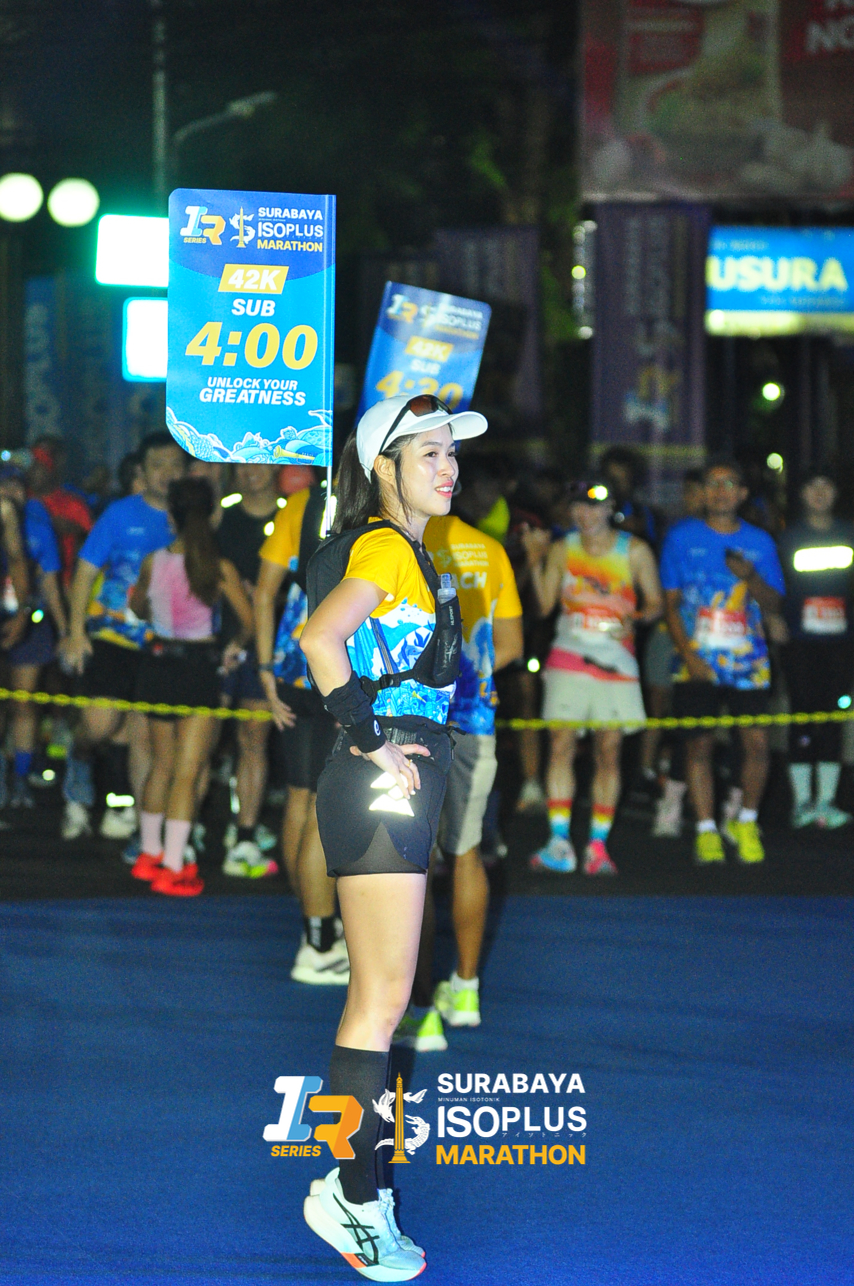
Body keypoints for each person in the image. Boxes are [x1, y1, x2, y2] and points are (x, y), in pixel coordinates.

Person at [299, 392, 486, 1281]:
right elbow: (319, 639)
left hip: (396, 785)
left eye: (451, 453)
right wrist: (372, 741)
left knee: (380, 1000)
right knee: (378, 1005)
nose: (449, 468)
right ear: (385, 466)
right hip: (381, 786)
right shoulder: (383, 546)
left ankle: (353, 1191)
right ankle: (353, 1199)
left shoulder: (405, 549)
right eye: (429, 454)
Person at [395, 505, 523, 1051]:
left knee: (414, 863)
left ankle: (420, 1011)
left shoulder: (398, 544)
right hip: (474, 716)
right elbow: (512, 646)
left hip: (410, 721)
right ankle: (465, 989)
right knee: (466, 852)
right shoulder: (489, 550)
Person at [523, 477, 662, 875]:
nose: (586, 514)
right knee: (561, 744)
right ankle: (559, 841)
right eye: (578, 506)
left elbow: (655, 603)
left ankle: (597, 845)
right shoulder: (562, 548)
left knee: (609, 750)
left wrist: (636, 618)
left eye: (594, 506)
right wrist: (534, 559)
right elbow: (545, 606)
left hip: (616, 658)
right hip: (569, 653)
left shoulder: (634, 550)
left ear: (611, 508)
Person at [128, 478, 254, 896]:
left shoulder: (154, 561)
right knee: (187, 771)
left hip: (158, 664)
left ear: (171, 516)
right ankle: (173, 864)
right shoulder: (218, 567)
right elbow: (249, 622)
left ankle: (148, 854)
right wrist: (233, 648)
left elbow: (139, 608)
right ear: (212, 515)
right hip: (198, 668)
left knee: (161, 766)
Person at [59, 433, 187, 841]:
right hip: (111, 637)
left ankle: (138, 824)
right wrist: (75, 633)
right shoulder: (119, 513)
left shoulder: (192, 517)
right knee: (100, 724)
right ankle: (78, 762)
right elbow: (84, 573)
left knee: (142, 736)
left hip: (162, 644)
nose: (167, 473)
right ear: (142, 472)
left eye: (174, 465)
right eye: (157, 465)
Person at [660, 459, 786, 865]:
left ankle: (746, 821)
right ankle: (705, 829)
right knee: (699, 745)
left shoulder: (760, 541)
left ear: (743, 494)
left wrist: (750, 576)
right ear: (702, 492)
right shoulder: (681, 537)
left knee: (757, 743)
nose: (720, 491)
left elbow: (774, 603)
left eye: (730, 484)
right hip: (697, 659)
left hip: (748, 660)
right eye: (713, 484)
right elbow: (670, 604)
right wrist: (689, 655)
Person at [256, 481, 347, 981]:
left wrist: (265, 668)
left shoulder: (301, 505)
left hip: (292, 661)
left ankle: (311, 918)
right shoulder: (368, 507)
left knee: (300, 795)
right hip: (337, 664)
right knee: (323, 806)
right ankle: (319, 938)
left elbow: (265, 591)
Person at [216, 462, 284, 876]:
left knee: (253, 738)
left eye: (260, 461)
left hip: (267, 644)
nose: (251, 471)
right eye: (243, 463)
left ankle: (245, 833)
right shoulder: (222, 514)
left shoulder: (291, 514)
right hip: (218, 641)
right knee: (207, 740)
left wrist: (265, 597)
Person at [778, 470, 854, 829]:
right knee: (802, 716)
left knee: (834, 717)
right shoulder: (788, 538)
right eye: (813, 487)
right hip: (800, 642)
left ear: (836, 493)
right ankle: (801, 803)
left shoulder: (848, 534)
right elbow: (776, 587)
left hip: (840, 643)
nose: (820, 493)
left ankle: (826, 802)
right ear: (802, 494)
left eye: (827, 486)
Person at [0, 468, 67, 807]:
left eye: (16, 487)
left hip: (27, 620)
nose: (10, 493)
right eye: (4, 486)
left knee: (23, 703)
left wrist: (65, 630)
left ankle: (21, 777)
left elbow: (48, 582)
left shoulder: (37, 527)